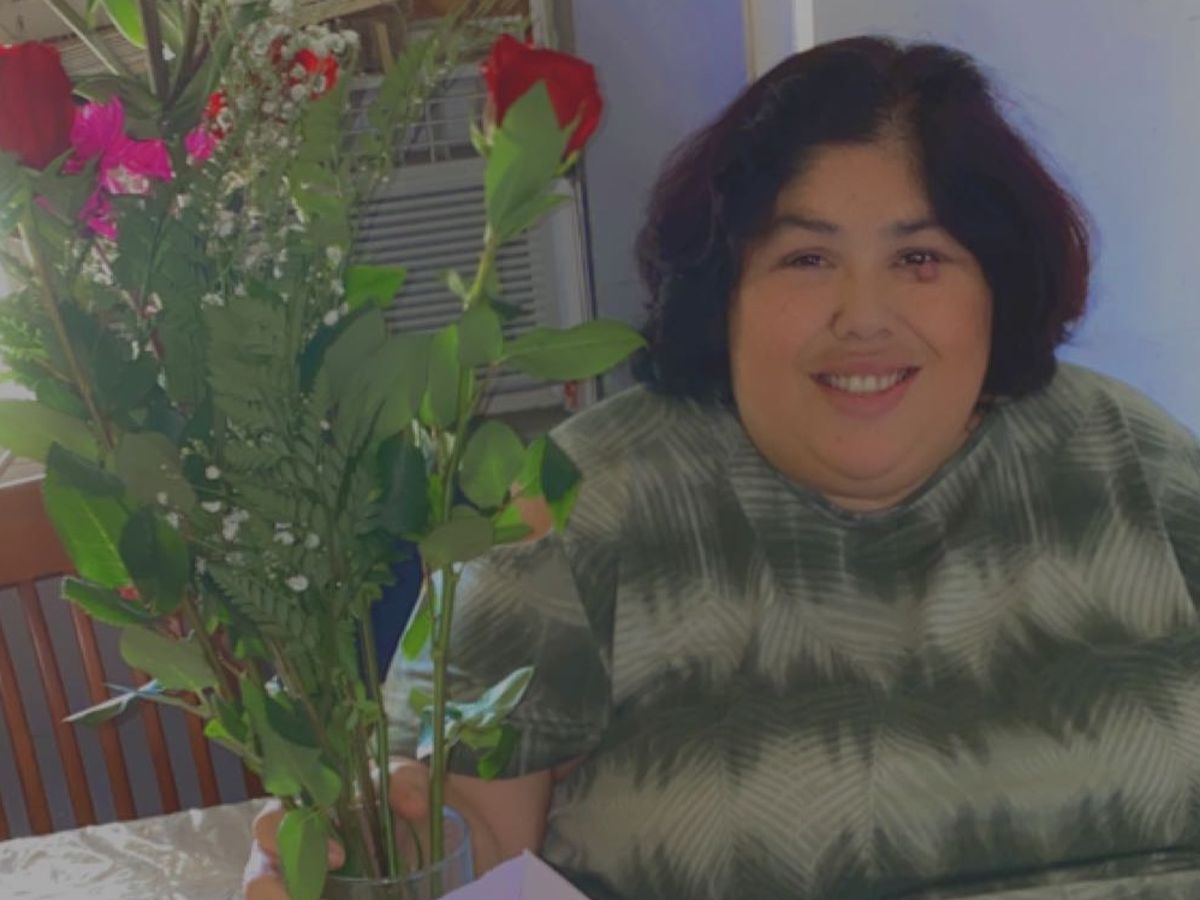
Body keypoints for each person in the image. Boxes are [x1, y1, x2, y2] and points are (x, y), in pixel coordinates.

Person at [246, 34, 1200, 899]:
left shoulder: (1129, 457)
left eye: (920, 258)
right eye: (806, 259)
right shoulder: (578, 503)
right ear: (725, 288)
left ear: (998, 282)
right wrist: (362, 850)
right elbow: (465, 844)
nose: (864, 317)